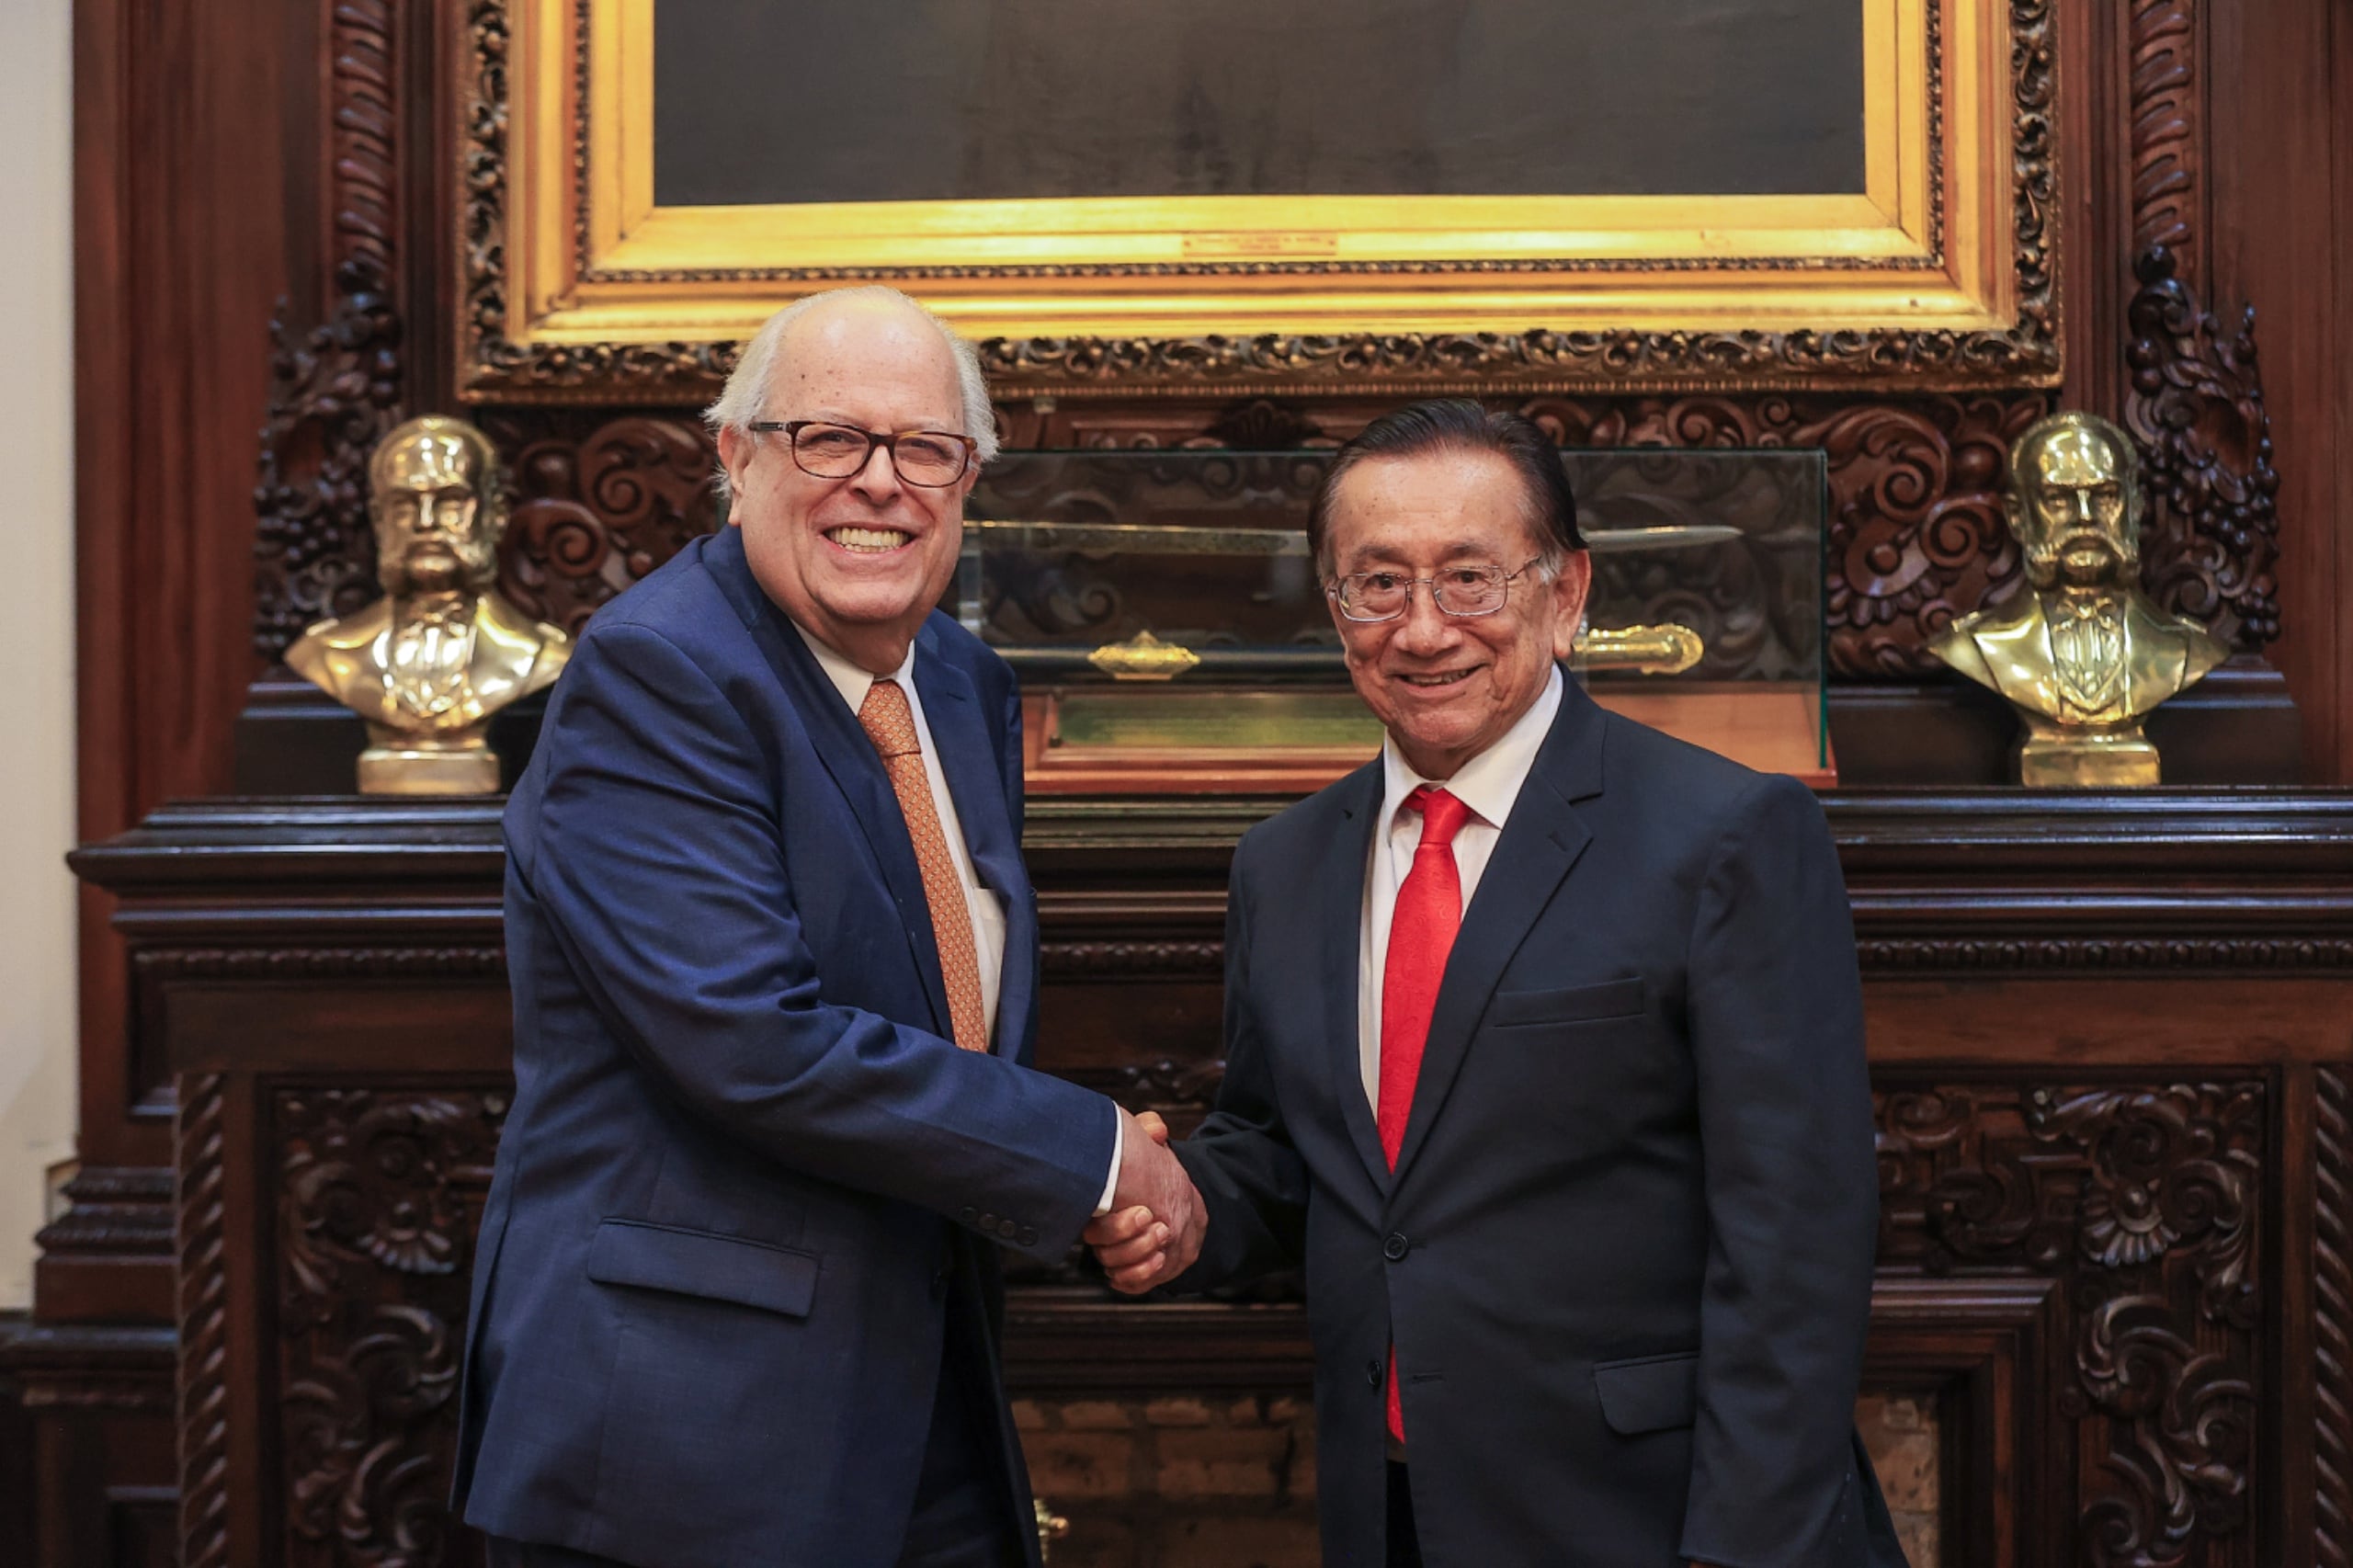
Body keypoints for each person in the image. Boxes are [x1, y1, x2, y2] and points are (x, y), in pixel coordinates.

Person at [452, 285, 1199, 1568]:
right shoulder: (656, 673)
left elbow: (934, 1006)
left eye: (925, 448)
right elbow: (755, 1039)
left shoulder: (959, 680)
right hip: (692, 1439)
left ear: (968, 480)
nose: (881, 482)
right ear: (737, 457)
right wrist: (1092, 1155)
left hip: (920, 1400)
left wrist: (1081, 1172)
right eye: (830, 438)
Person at [1089, 401, 1905, 1567]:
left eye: (1469, 578)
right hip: (1392, 1511)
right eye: (1378, 583)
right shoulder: (1285, 862)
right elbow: (1291, 1156)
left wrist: (1740, 1550)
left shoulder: (1726, 834)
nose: (1423, 629)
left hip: (1654, 1520)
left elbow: (1797, 1247)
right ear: (1333, 604)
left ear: (1566, 593)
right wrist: (1173, 1203)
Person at [1928, 409, 2227, 786]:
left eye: (2105, 496)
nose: (2085, 516)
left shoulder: (2187, 650)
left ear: (2135, 508)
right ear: (2018, 517)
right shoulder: (1975, 648)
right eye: (2058, 499)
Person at [286, 414, 572, 793]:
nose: (425, 522)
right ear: (379, 520)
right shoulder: (325, 655)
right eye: (404, 505)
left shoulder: (544, 659)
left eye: (450, 502)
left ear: (496, 514)